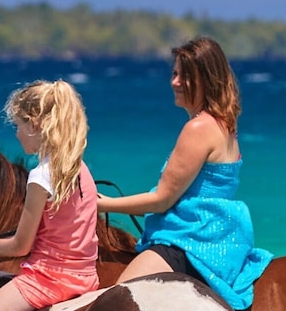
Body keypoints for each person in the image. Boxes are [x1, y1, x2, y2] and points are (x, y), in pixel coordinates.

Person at [96, 36, 271, 310]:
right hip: (222, 240)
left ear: (206, 79)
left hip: (190, 241)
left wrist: (102, 203)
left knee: (115, 301)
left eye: (185, 76)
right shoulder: (226, 124)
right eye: (175, 73)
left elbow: (162, 200)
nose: (175, 82)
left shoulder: (198, 129)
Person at [0, 80, 102, 311]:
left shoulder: (41, 176)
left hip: (47, 280)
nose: (18, 134)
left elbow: (21, 246)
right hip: (86, 277)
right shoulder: (81, 170)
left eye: (18, 125)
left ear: (33, 125)